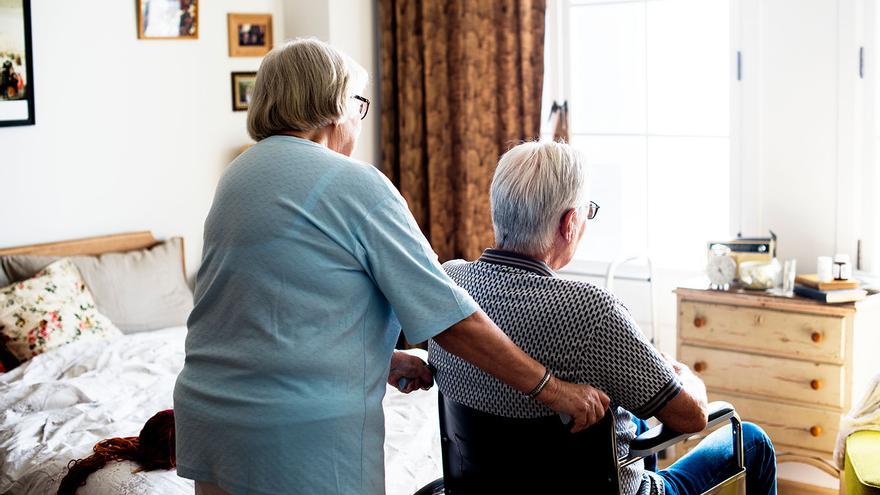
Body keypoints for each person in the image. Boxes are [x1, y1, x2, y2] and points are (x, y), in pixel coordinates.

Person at [172, 38, 609, 495]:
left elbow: (268, 313)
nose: (358, 122)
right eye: (358, 105)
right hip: (297, 433)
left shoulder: (240, 176)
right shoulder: (353, 184)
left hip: (211, 416)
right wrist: (553, 389)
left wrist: (378, 358)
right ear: (335, 105)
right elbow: (450, 316)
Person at [429, 141, 777, 495]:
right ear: (568, 224)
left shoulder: (450, 283)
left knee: (635, 414)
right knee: (752, 441)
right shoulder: (591, 312)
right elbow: (691, 416)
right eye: (587, 213)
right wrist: (684, 375)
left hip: (485, 485)